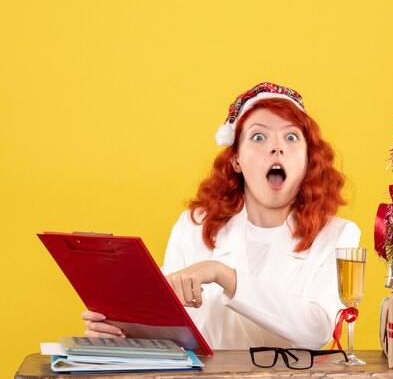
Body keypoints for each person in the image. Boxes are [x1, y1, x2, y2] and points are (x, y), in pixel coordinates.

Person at [81, 82, 361, 349]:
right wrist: (122, 332)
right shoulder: (193, 226)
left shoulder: (339, 234)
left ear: (308, 159)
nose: (277, 147)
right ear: (236, 159)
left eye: (291, 137)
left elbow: (317, 331)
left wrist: (223, 275)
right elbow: (170, 328)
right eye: (259, 136)